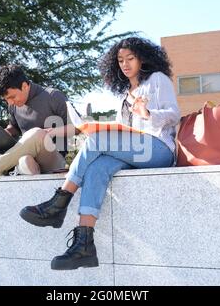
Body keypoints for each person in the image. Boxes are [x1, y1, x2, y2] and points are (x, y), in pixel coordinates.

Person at [19, 37, 181, 270]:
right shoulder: (126, 94)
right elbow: (120, 131)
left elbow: (174, 114)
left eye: (130, 59)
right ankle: (84, 244)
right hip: (134, 152)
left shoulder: (157, 79)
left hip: (158, 149)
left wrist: (148, 113)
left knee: (97, 139)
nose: (125, 64)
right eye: (120, 60)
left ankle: (59, 203)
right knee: (97, 168)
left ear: (143, 58)